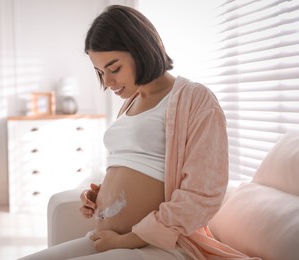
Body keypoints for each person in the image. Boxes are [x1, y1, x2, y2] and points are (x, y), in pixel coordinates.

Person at [19, 5, 257, 260]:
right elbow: (140, 170)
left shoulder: (195, 99)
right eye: (100, 72)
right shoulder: (131, 103)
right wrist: (103, 197)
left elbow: (203, 194)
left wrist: (127, 238)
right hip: (108, 240)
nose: (108, 82)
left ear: (141, 50)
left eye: (114, 68)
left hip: (157, 246)